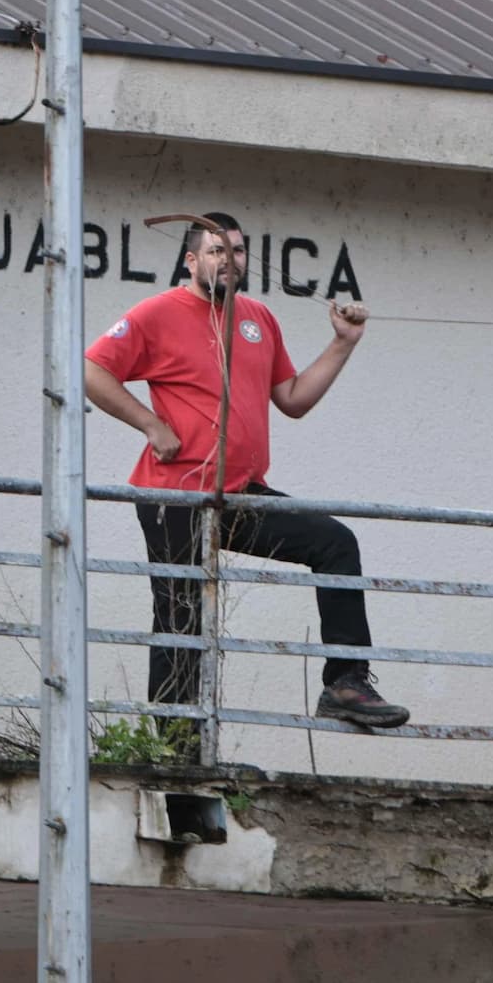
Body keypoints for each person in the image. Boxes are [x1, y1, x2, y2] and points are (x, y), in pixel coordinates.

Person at [84, 211, 406, 736]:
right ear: (191, 260)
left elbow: (293, 399)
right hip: (175, 497)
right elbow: (91, 368)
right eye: (214, 250)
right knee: (182, 619)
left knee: (335, 543)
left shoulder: (258, 318)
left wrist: (344, 342)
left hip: (239, 493)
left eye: (236, 250)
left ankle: (346, 684)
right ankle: (175, 753)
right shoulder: (158, 312)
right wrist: (149, 423)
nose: (227, 260)